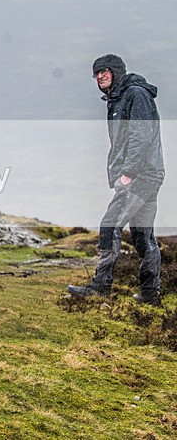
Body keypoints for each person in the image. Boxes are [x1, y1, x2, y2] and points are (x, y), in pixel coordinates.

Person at [67, 54, 165, 306]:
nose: (100, 76)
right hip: (148, 174)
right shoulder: (118, 97)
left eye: (105, 71)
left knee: (110, 225)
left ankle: (100, 287)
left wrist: (129, 172)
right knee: (143, 235)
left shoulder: (134, 95)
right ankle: (150, 295)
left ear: (117, 72)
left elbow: (140, 135)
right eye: (96, 73)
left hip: (141, 176)